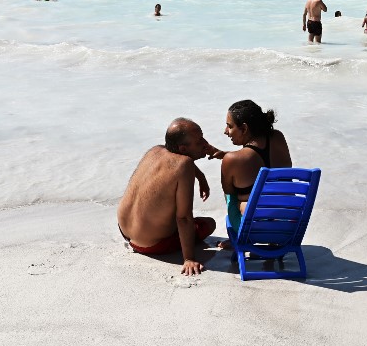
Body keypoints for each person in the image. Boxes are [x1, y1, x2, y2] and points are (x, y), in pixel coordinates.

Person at [117, 118, 216, 275]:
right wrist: (189, 258)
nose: (206, 143)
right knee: (209, 224)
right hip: (150, 245)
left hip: (124, 230)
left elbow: (180, 159)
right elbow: (183, 218)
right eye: (199, 141)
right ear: (183, 149)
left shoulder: (155, 150)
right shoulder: (185, 165)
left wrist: (201, 176)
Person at [208, 100, 292, 243]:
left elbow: (230, 196)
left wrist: (228, 160)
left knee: (233, 198)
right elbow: (259, 157)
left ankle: (238, 240)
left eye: (230, 126)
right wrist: (228, 155)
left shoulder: (231, 160)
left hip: (253, 231)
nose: (225, 131)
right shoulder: (278, 137)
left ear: (244, 128)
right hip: (287, 226)